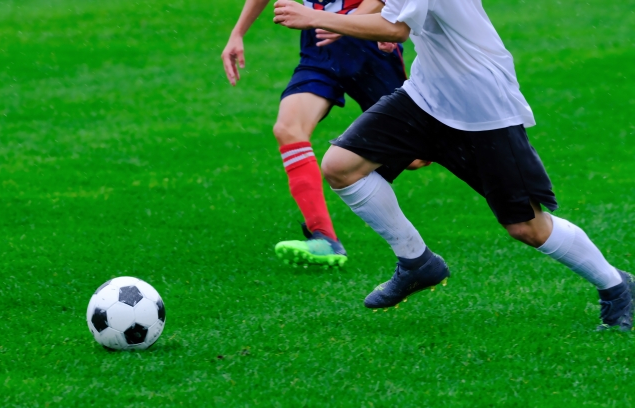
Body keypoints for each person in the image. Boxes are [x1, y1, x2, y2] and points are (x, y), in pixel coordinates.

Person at [273, 0, 635, 330]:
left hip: (482, 104)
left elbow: (396, 29)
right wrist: (374, 23)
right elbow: (398, 14)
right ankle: (416, 262)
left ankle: (616, 286)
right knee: (341, 166)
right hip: (426, 95)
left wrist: (318, 18)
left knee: (527, 227)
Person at [222, 0, 422, 269]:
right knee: (287, 128)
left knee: (415, 157)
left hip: (369, 48)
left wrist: (343, 23)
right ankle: (325, 238)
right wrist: (238, 33)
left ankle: (477, 135)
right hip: (318, 51)